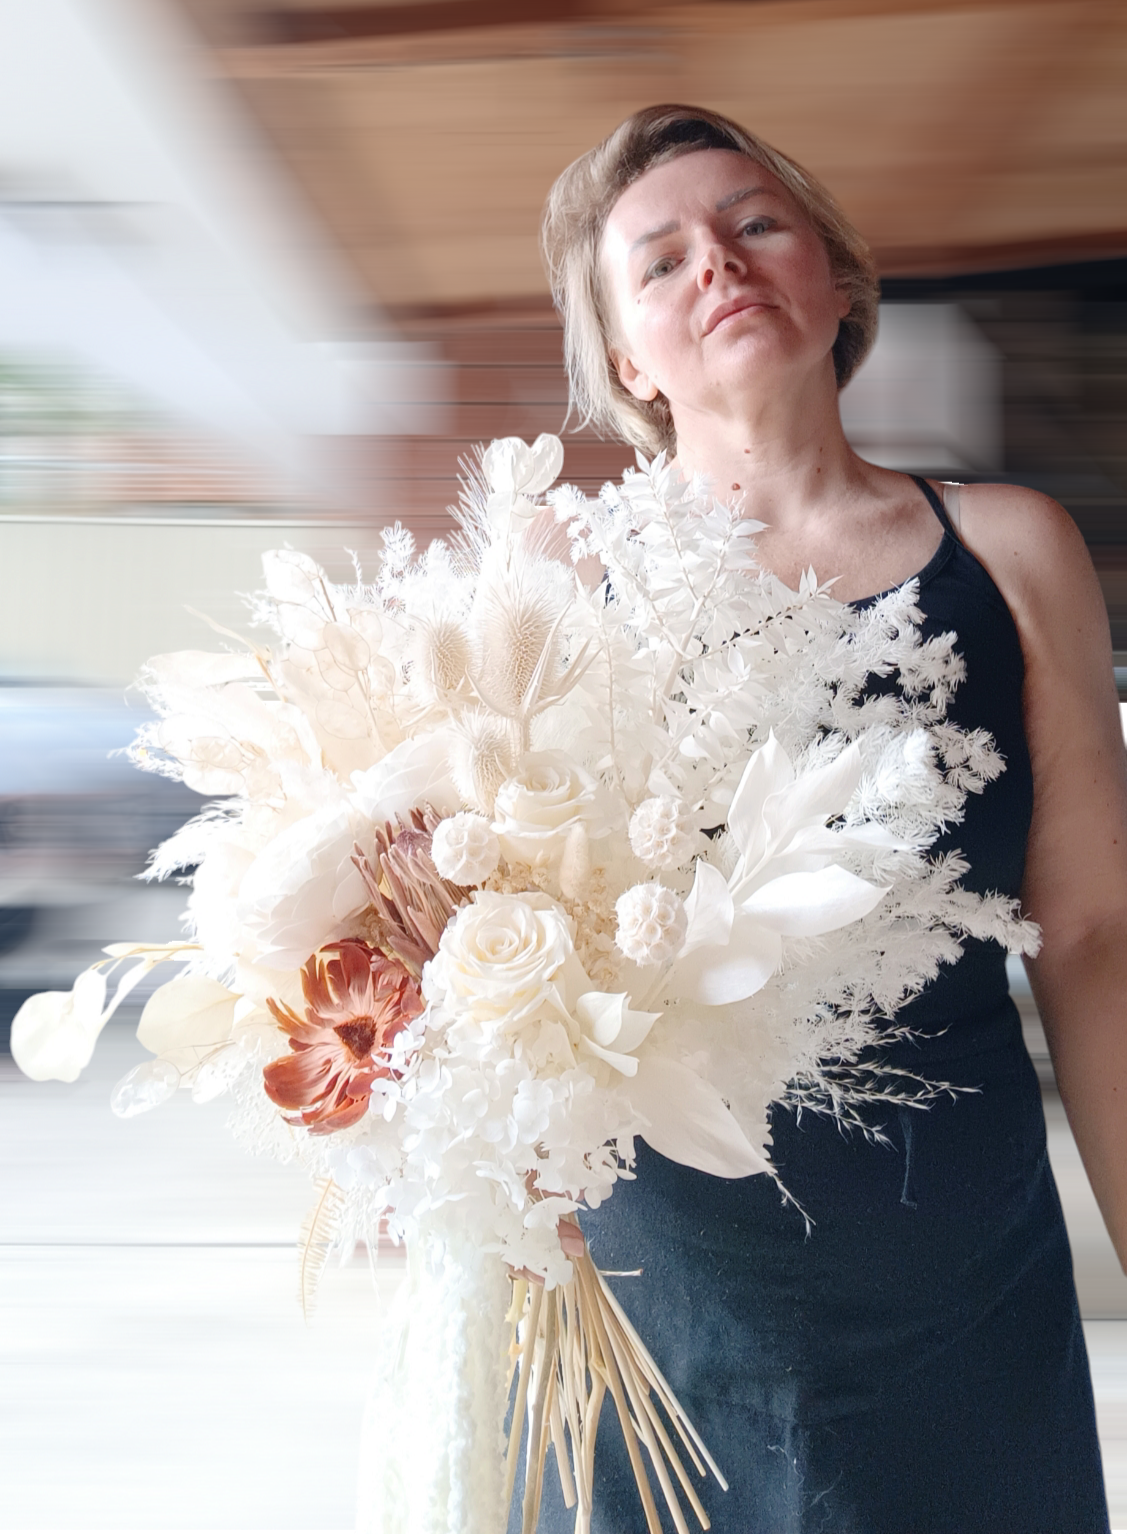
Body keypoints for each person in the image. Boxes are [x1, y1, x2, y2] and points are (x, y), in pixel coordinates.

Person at [523, 104, 1125, 1533]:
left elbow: (1093, 932)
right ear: (625, 361)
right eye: (657, 262)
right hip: (651, 1297)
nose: (716, 264)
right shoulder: (556, 584)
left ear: (839, 280)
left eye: (752, 224)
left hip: (956, 1285)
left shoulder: (1010, 547)